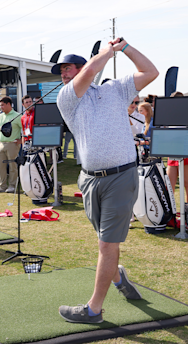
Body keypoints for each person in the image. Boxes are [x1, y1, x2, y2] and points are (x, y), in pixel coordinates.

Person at [55, 38, 158, 324]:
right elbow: (88, 74)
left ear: (82, 65)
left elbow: (151, 72)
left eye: (68, 67)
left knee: (106, 244)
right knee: (105, 241)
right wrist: (105, 53)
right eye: (62, 70)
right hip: (89, 180)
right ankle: (118, 276)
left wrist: (124, 48)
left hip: (121, 176)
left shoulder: (116, 88)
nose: (64, 73)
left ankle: (93, 310)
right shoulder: (66, 97)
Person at [0, 97, 22, 193]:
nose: (1, 107)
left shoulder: (17, 116)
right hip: (1, 144)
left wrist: (21, 140)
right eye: (0, 105)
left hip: (12, 144)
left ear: (9, 104)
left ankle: (12, 186)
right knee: (0, 165)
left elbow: (25, 128)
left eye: (2, 105)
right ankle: (2, 186)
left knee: (13, 165)